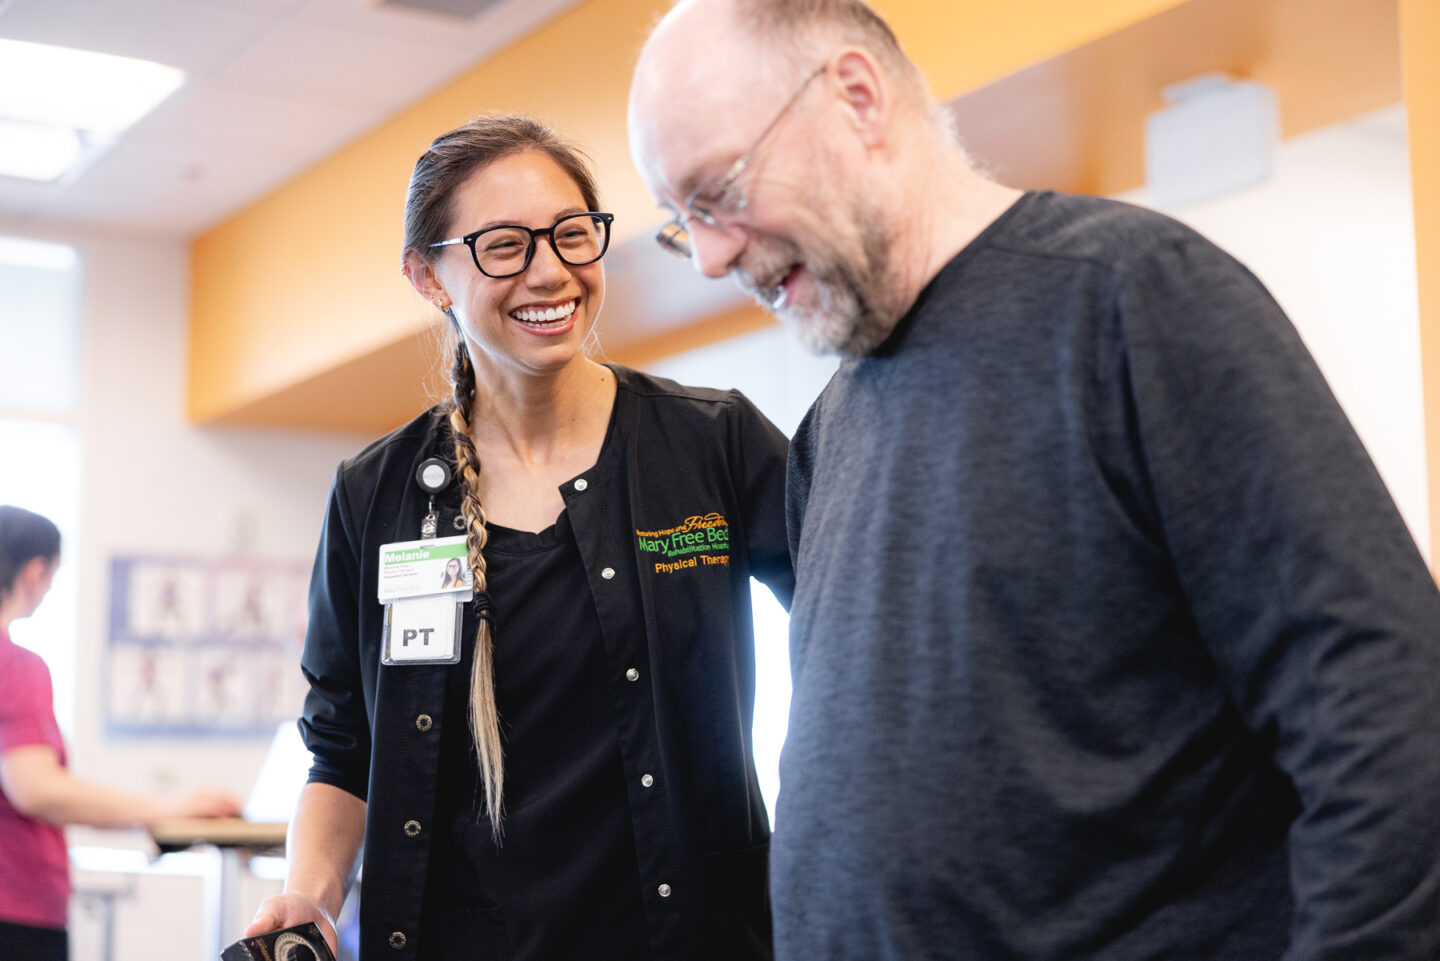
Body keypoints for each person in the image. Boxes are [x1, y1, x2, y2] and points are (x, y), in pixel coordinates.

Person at [627, 2, 1440, 959]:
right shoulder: (830, 431)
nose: (715, 256)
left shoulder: (1131, 300)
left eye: (718, 190)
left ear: (855, 97)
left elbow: (1392, 731)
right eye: (685, 225)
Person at [245, 114, 793, 960]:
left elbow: (863, 622)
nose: (552, 270)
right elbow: (343, 746)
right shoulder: (376, 494)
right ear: (428, 276)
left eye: (573, 235)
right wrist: (309, 896)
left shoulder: (710, 446)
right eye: (504, 245)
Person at [0, 505, 242, 961]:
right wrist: (167, 808)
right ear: (34, 572)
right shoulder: (16, 666)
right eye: (51, 578)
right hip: (16, 914)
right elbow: (36, 790)